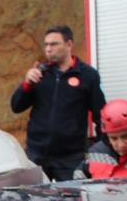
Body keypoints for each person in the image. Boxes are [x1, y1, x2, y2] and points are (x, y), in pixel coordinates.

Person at [11, 25, 106, 181]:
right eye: (46, 44)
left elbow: (100, 115)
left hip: (71, 157)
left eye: (54, 44)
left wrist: (103, 149)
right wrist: (26, 84)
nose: (48, 49)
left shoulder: (87, 75)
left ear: (69, 45)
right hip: (37, 154)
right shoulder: (40, 73)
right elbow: (16, 106)